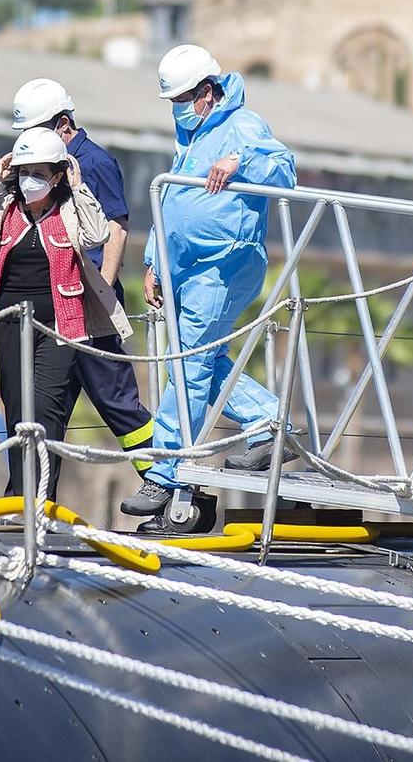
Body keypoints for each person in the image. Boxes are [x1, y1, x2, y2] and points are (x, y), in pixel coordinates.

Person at [123, 44, 297, 530]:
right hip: (187, 267)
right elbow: (173, 200)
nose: (177, 107)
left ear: (207, 92)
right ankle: (268, 423)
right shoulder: (190, 133)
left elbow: (284, 171)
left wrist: (240, 161)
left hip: (225, 263)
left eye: (182, 97)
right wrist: (155, 262)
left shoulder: (242, 125)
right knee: (201, 360)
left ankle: (165, 471)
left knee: (189, 365)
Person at [0, 126, 141, 501]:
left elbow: (97, 234)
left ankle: (40, 497)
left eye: (39, 173)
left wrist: (79, 188)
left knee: (46, 406)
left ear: (57, 177)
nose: (30, 180)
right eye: (24, 171)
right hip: (10, 320)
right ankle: (20, 494)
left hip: (63, 324)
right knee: (17, 406)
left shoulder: (68, 209)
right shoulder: (4, 207)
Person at [11, 78, 155, 482]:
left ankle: (168, 485)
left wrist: (102, 294)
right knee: (46, 406)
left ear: (62, 124)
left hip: (90, 303)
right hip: (58, 304)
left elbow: (116, 228)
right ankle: (33, 496)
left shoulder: (92, 162)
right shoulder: (43, 164)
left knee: (116, 399)